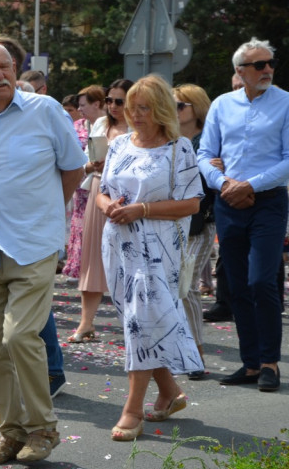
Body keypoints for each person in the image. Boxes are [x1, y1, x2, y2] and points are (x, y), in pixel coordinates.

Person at [0, 43, 85, 464]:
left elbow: (74, 169)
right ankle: (11, 433)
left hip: (32, 245)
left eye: (5, 66)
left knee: (19, 335)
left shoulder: (44, 111)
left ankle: (43, 428)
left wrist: (44, 215)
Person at [99, 75, 203, 440]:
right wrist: (109, 204)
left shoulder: (180, 148)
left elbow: (192, 203)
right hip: (117, 242)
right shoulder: (119, 145)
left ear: (160, 109)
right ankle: (170, 392)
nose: (136, 114)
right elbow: (102, 191)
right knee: (136, 318)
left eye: (144, 108)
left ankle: (132, 410)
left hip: (158, 247)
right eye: (131, 107)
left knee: (141, 322)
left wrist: (142, 209)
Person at [198, 38, 289, 392]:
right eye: (259, 64)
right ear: (240, 71)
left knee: (261, 281)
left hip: (268, 201)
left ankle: (270, 363)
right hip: (228, 201)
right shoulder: (222, 104)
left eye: (271, 63)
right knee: (235, 285)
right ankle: (250, 364)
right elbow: (204, 153)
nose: (268, 69)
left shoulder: (285, 102)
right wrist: (224, 184)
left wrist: (247, 184)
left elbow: (287, 160)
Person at [68, 78, 133, 342]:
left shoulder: (140, 127)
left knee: (130, 259)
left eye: (119, 101)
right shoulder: (102, 124)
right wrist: (91, 164)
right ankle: (86, 323)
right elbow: (87, 158)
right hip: (98, 188)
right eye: (109, 100)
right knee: (92, 258)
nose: (113, 106)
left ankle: (133, 323)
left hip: (128, 194)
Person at [173, 84, 215, 381]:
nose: (173, 111)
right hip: (171, 224)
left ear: (196, 109)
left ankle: (197, 354)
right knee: (175, 288)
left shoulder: (210, 142)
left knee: (186, 287)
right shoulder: (167, 140)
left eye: (179, 105)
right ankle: (182, 350)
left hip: (200, 225)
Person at [61, 85, 106, 281]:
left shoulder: (109, 126)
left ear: (97, 104)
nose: (79, 110)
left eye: (83, 105)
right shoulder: (77, 125)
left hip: (102, 184)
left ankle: (100, 272)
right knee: (79, 227)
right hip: (81, 181)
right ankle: (82, 270)